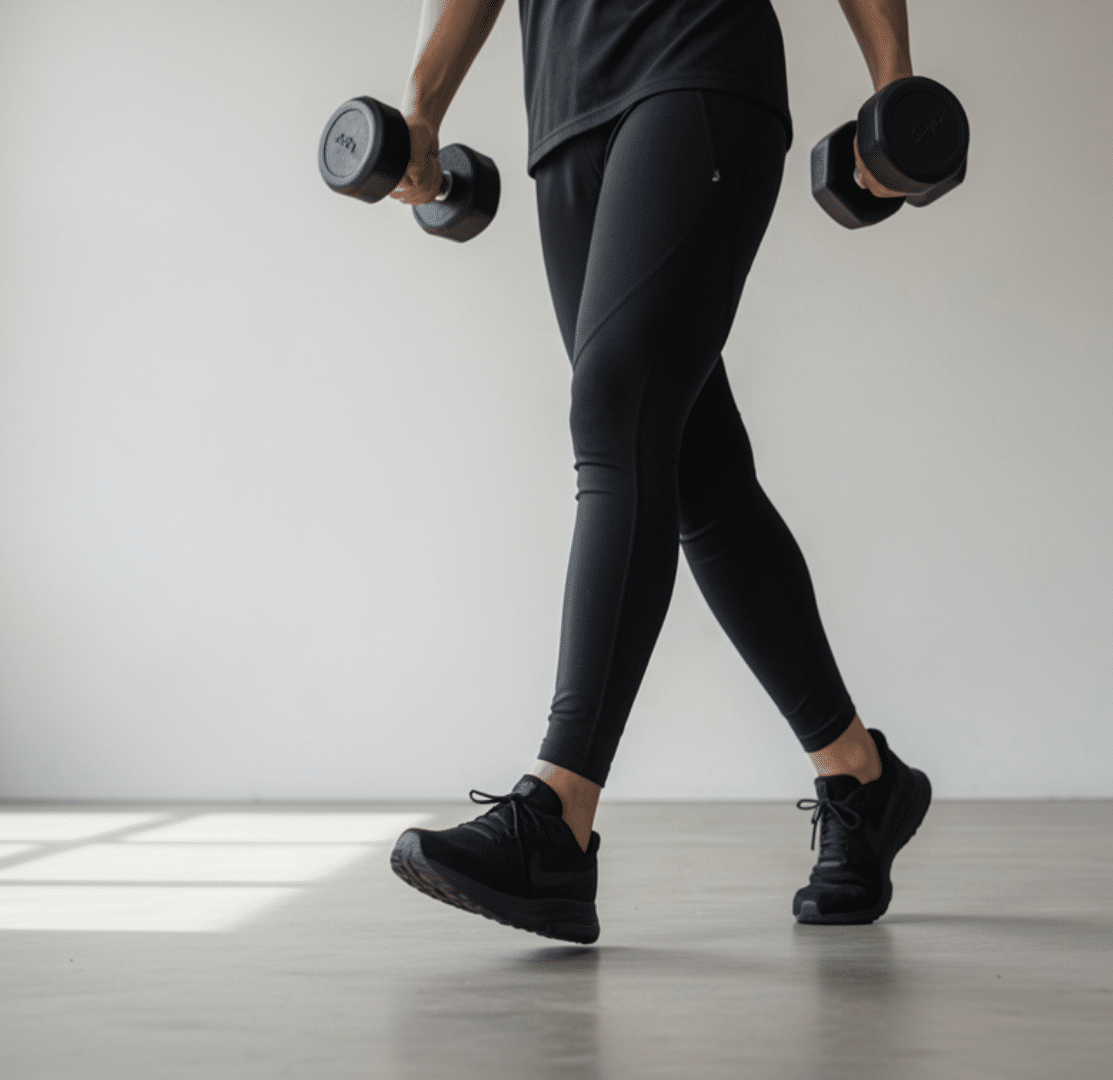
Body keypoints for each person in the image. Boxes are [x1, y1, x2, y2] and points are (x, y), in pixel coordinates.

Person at [385, 0, 933, 945]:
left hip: (699, 59)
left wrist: (897, 85)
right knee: (691, 470)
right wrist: (423, 109)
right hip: (564, 113)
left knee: (615, 414)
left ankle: (558, 814)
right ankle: (862, 779)